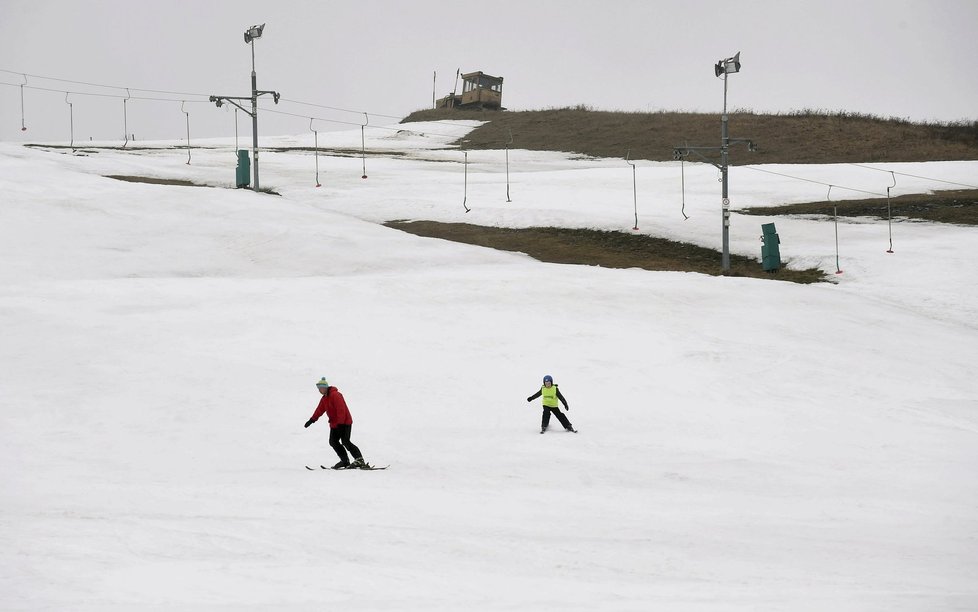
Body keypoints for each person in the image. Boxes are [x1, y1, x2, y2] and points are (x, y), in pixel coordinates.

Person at [304, 377, 367, 469]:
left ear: (326, 387)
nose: (320, 390)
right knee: (333, 442)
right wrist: (312, 420)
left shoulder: (335, 395)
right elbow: (319, 410)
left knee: (345, 441)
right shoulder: (324, 398)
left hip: (344, 423)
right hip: (334, 424)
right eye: (318, 389)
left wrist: (341, 424)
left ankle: (359, 459)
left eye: (321, 388)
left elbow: (341, 410)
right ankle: (345, 461)